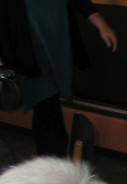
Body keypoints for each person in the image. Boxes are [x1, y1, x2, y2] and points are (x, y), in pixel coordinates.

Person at [0, 0, 117, 156]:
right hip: (29, 50)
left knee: (47, 109)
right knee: (47, 109)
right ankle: (54, 162)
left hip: (56, 46)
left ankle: (52, 163)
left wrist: (102, 25)